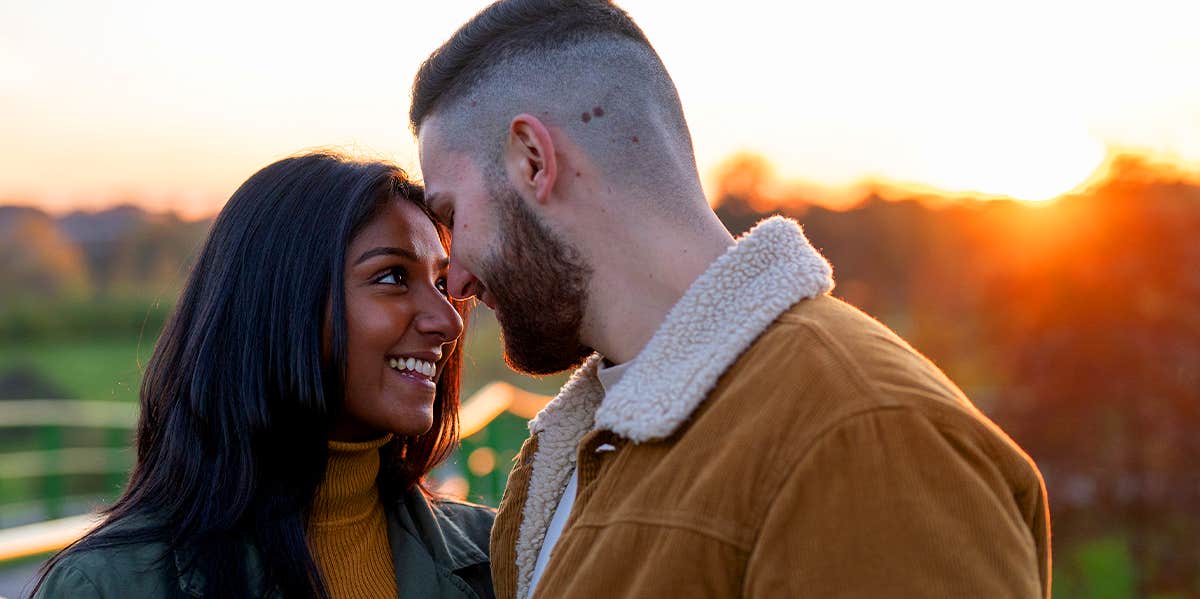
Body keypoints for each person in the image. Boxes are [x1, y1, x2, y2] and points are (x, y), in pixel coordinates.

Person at [409, 1, 1051, 598]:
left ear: (532, 160)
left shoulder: (867, 432)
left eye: (451, 214)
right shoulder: (558, 464)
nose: (456, 279)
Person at [32, 152, 495, 599]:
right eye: (393, 277)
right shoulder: (106, 587)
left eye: (441, 283)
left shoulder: (502, 557)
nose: (449, 322)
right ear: (280, 304)